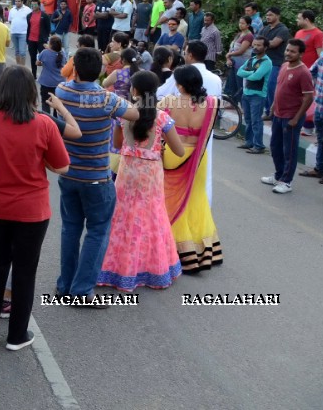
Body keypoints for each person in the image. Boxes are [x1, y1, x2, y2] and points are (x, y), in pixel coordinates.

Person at [0, 66, 70, 347]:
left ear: (1, 90)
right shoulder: (44, 124)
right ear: (31, 92)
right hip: (32, 211)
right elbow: (62, 165)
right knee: (25, 271)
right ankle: (17, 335)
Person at [55, 48, 139, 304]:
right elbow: (134, 114)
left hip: (69, 173)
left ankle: (65, 284)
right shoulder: (106, 99)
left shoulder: (62, 91)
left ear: (76, 69)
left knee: (70, 228)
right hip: (97, 177)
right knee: (97, 231)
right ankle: (81, 290)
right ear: (101, 72)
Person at [97, 71, 185, 291]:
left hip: (128, 170)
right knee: (151, 217)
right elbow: (179, 150)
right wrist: (160, 146)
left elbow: (117, 145)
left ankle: (115, 269)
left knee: (124, 216)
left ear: (134, 90)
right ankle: (152, 270)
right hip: (151, 173)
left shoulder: (124, 114)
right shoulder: (162, 117)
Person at [160, 66, 222, 272]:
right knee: (196, 200)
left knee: (169, 200)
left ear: (179, 84)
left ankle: (175, 250)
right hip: (197, 158)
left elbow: (153, 119)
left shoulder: (169, 102)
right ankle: (200, 251)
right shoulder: (213, 104)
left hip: (172, 154)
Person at [260, 40, 315, 194]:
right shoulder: (284, 66)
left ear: (301, 54)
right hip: (278, 114)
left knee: (289, 150)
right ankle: (278, 176)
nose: (288, 53)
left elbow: (309, 97)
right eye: (287, 50)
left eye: (292, 51)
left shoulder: (303, 72)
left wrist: (297, 118)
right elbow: (279, 87)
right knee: (275, 146)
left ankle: (286, 181)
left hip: (291, 117)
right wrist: (272, 107)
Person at [301, 35, 323, 183]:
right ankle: (318, 168)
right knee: (321, 139)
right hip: (319, 108)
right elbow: (309, 73)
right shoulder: (321, 60)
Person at [238, 37, 272, 154]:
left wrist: (249, 73)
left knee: (256, 121)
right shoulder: (251, 59)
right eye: (254, 45)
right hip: (246, 93)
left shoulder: (267, 62)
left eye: (259, 45)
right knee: (248, 119)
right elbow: (239, 72)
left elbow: (256, 77)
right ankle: (249, 142)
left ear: (265, 47)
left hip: (258, 95)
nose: (255, 47)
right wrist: (252, 72)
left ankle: (258, 145)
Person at [259, 7, 290, 119]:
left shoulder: (283, 29)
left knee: (272, 88)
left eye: (271, 15)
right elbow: (257, 41)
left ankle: (274, 113)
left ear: (278, 16)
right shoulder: (265, 28)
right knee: (264, 88)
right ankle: (268, 112)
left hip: (275, 63)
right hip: (263, 62)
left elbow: (274, 43)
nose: (268, 17)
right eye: (267, 15)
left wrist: (261, 44)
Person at [223, 16, 254, 102]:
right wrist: (228, 58)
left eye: (243, 23)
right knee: (232, 83)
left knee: (240, 84)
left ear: (248, 25)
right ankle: (233, 102)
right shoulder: (239, 34)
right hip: (234, 62)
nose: (240, 25)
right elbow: (232, 47)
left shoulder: (249, 36)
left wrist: (229, 54)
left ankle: (242, 104)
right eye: (240, 23)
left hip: (242, 64)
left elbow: (241, 51)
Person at [37, 35, 67, 112]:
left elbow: (38, 63)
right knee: (58, 105)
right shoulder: (62, 53)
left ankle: (47, 120)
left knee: (45, 103)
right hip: (60, 83)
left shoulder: (45, 53)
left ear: (51, 45)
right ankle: (57, 121)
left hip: (46, 83)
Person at [26, 0, 52, 76]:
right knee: (33, 58)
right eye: (32, 4)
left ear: (39, 5)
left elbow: (48, 28)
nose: (33, 6)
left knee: (43, 58)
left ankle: (45, 74)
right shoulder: (29, 15)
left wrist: (45, 38)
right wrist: (27, 39)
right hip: (31, 39)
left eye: (35, 4)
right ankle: (34, 75)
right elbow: (29, 27)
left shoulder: (45, 15)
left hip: (41, 40)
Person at [7, 0, 29, 67]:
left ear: (22, 2)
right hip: (14, 33)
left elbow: (30, 21)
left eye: (19, 1)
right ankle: (18, 67)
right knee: (17, 52)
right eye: (16, 1)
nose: (17, 2)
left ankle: (23, 69)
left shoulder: (27, 10)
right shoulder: (12, 10)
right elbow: (10, 21)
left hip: (23, 33)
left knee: (22, 52)